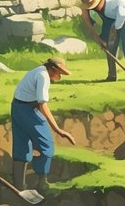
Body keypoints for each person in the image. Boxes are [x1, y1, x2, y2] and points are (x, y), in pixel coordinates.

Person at [10, 56, 78, 195]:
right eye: (59, 73)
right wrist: (58, 130)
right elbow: (42, 104)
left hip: (17, 107)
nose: (59, 76)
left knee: (22, 145)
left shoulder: (38, 70)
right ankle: (42, 183)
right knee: (46, 144)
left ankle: (20, 186)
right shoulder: (43, 76)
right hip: (27, 110)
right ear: (53, 70)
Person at [79, 0, 125, 82]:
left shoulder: (114, 4)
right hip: (109, 19)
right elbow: (89, 25)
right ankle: (112, 76)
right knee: (109, 47)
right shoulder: (86, 0)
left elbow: (122, 15)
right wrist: (100, 40)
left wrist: (115, 30)